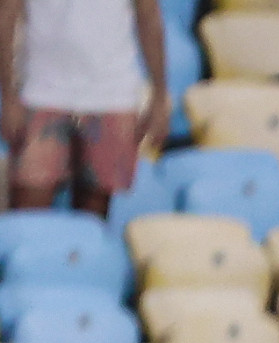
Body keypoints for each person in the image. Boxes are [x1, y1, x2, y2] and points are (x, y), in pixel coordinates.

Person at [0, 0, 167, 215]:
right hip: (40, 93)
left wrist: (160, 96)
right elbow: (6, 13)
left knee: (93, 217)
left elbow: (149, 17)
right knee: (28, 211)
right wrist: (9, 97)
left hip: (111, 95)